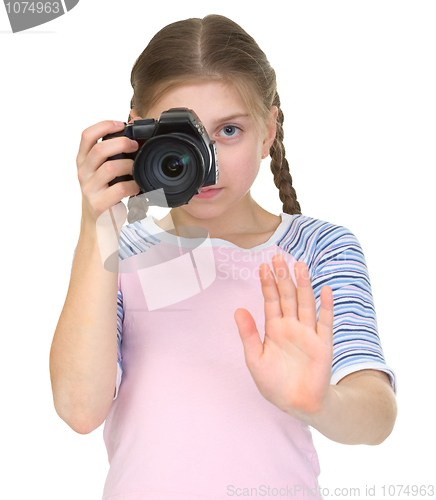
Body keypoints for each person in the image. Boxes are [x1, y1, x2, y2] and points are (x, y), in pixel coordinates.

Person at [49, 14, 398, 500]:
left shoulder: (319, 248)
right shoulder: (121, 255)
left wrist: (320, 402)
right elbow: (79, 410)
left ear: (268, 130)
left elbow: (377, 415)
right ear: (140, 136)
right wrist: (97, 225)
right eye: (184, 136)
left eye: (229, 130)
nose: (205, 160)